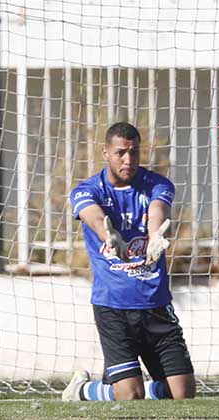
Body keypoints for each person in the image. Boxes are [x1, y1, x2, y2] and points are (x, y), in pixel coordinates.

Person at [62, 122, 196, 402]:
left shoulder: (157, 184)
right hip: (114, 309)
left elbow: (158, 209)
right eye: (120, 152)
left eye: (134, 153)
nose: (128, 160)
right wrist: (108, 235)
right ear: (106, 153)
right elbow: (93, 216)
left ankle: (140, 386)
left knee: (183, 394)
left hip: (156, 305)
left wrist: (155, 235)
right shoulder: (87, 190)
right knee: (130, 395)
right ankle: (82, 390)